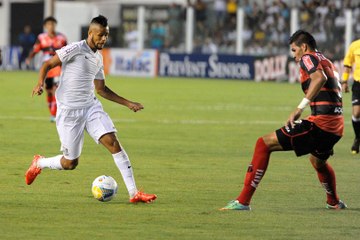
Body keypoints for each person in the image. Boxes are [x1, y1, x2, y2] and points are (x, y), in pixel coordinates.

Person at [25, 15, 157, 204]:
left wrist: (128, 103)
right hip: (69, 112)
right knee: (70, 163)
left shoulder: (98, 57)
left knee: (113, 143)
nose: (104, 39)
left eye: (106, 35)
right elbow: (47, 64)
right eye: (101, 35)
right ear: (90, 33)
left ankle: (134, 193)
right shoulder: (76, 49)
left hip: (90, 106)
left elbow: (101, 89)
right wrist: (40, 83)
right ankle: (39, 162)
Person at [221, 30, 346, 210]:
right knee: (318, 162)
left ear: (304, 47)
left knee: (263, 144)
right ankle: (334, 202)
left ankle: (242, 201)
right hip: (336, 126)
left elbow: (319, 78)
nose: (295, 57)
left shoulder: (308, 57)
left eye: (295, 51)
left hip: (321, 124)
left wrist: (299, 108)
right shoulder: (327, 61)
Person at [26, 17, 67, 122]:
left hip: (58, 67)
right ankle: (52, 112)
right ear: (45, 26)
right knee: (48, 90)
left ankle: (55, 113)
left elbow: (67, 51)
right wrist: (29, 58)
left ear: (55, 25)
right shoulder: (41, 37)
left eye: (53, 24)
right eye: (49, 24)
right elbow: (35, 50)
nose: (51, 26)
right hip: (46, 68)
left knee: (56, 89)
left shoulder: (62, 38)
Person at [341, 38, 360, 154]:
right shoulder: (355, 46)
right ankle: (358, 138)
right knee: (356, 113)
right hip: (358, 83)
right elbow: (348, 65)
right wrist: (344, 81)